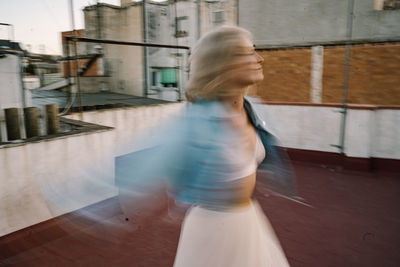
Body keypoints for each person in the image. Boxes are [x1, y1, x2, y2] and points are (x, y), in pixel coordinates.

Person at [116, 25, 296, 267]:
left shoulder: (251, 107)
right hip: (213, 231)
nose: (259, 58)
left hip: (247, 222)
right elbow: (149, 164)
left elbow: (263, 148)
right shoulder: (197, 121)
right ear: (223, 64)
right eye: (247, 52)